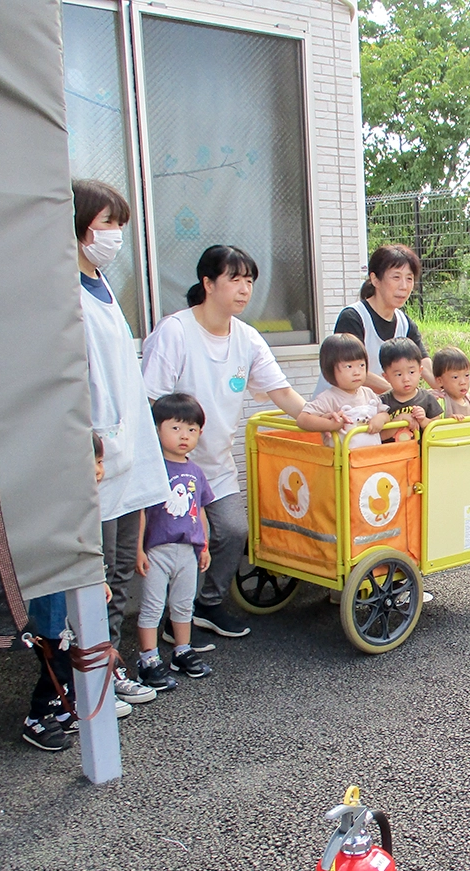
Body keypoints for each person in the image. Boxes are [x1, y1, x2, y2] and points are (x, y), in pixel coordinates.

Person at [140, 245, 306, 639]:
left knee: (233, 531)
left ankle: (207, 605)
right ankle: (166, 622)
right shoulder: (175, 331)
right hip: (171, 468)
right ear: (208, 283)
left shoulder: (247, 338)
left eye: (249, 281)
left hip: (215, 465)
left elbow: (282, 393)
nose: (245, 289)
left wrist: (323, 418)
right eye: (235, 279)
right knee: (170, 545)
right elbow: (150, 403)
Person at [72, 179, 171, 684]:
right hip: (98, 449)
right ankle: (91, 678)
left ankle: (110, 667)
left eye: (119, 225)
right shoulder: (63, 287)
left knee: (119, 572)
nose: (115, 235)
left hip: (127, 446)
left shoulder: (101, 283)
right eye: (108, 223)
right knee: (95, 575)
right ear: (80, 223)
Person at [21, 433, 141, 750]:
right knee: (56, 663)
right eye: (93, 462)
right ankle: (37, 718)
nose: (99, 469)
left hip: (71, 600)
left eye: (101, 461)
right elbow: (74, 551)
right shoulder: (62, 507)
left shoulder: (83, 501)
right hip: (54, 604)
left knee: (69, 659)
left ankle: (62, 710)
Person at [135, 394, 215, 688]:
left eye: (192, 430)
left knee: (183, 604)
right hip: (157, 549)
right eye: (176, 428)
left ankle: (182, 651)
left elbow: (200, 510)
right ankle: (148, 658)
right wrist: (138, 550)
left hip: (188, 550)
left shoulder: (195, 472)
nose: (184, 436)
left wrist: (203, 545)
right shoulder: (152, 468)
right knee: (153, 606)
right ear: (157, 429)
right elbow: (141, 512)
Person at [314, 244, 432, 397]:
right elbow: (352, 370)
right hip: (335, 409)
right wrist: (399, 391)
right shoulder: (353, 317)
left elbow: (423, 362)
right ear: (375, 279)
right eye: (396, 277)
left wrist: (447, 387)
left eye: (409, 278)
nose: (404, 286)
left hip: (370, 409)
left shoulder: (405, 323)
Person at [297, 335, 389, 448]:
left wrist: (380, 418)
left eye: (361, 365)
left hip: (370, 459)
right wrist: (330, 425)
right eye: (349, 366)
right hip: (342, 462)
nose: (357, 372)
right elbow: (303, 419)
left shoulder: (368, 393)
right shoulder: (328, 398)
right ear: (330, 369)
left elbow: (384, 412)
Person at [378, 338, 441, 441]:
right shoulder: (382, 402)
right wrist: (398, 420)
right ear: (386, 377)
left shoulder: (427, 398)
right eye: (398, 374)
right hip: (392, 456)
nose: (406, 379)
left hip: (421, 455)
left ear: (420, 371)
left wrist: (423, 420)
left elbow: (437, 430)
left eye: (411, 372)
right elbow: (380, 436)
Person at [431, 347, 470, 418]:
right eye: (455, 377)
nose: (463, 382)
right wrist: (450, 422)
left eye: (466, 375)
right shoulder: (440, 402)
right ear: (440, 381)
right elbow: (432, 426)